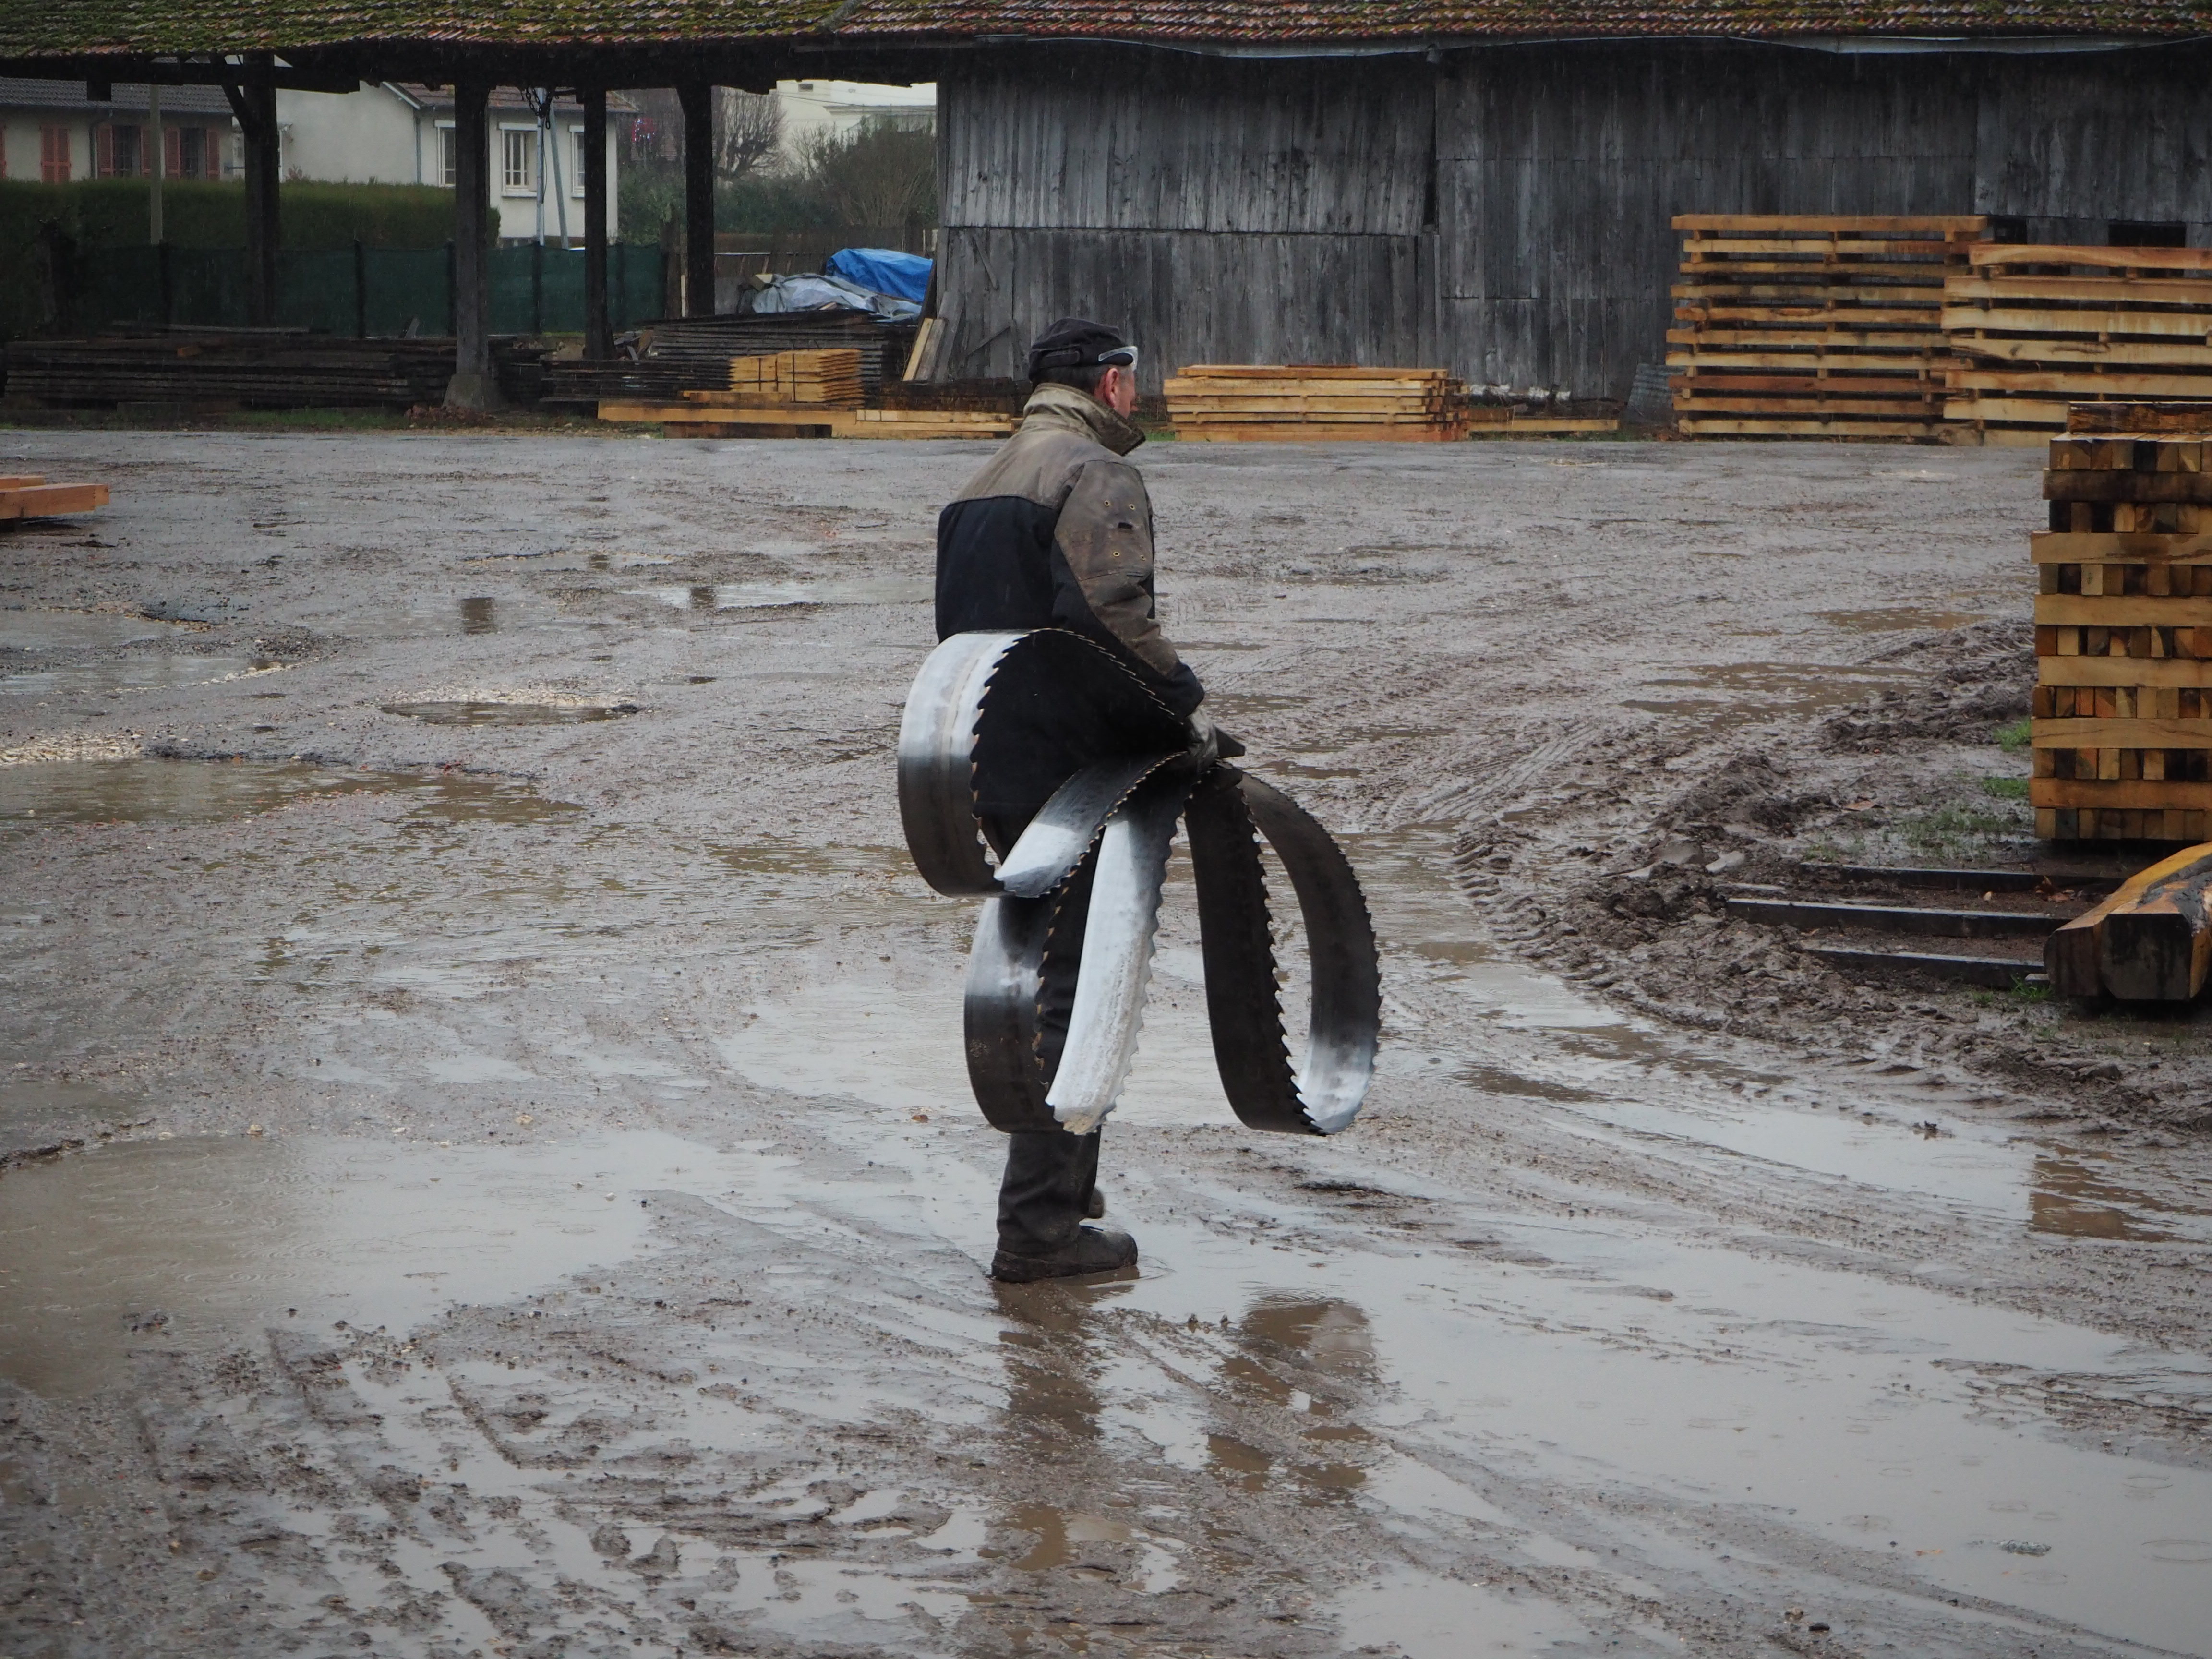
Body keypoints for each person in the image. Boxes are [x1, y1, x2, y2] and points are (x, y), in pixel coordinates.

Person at [936, 317, 1218, 1283]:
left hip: (993, 757)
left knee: (1059, 966)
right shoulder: (1093, 474)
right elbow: (1111, 613)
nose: (1139, 396)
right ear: (1109, 386)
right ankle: (1041, 1228)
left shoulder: (983, 483)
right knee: (1078, 989)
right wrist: (1187, 709)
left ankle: (1072, 1185)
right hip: (1077, 765)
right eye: (1134, 380)